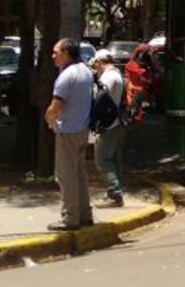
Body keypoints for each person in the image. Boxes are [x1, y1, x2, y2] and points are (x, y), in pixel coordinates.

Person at [44, 37, 94, 231]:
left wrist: (49, 120)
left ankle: (70, 217)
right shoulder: (85, 72)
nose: (53, 56)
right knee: (79, 173)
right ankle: (84, 213)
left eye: (56, 52)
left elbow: (55, 106)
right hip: (82, 128)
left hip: (67, 131)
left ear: (66, 53)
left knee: (66, 176)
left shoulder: (66, 76)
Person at [91, 49, 127, 208]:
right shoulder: (117, 75)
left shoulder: (109, 77)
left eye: (95, 64)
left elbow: (100, 96)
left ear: (100, 62)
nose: (94, 67)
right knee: (114, 159)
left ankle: (114, 193)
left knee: (102, 159)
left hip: (109, 124)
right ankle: (116, 192)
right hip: (118, 123)